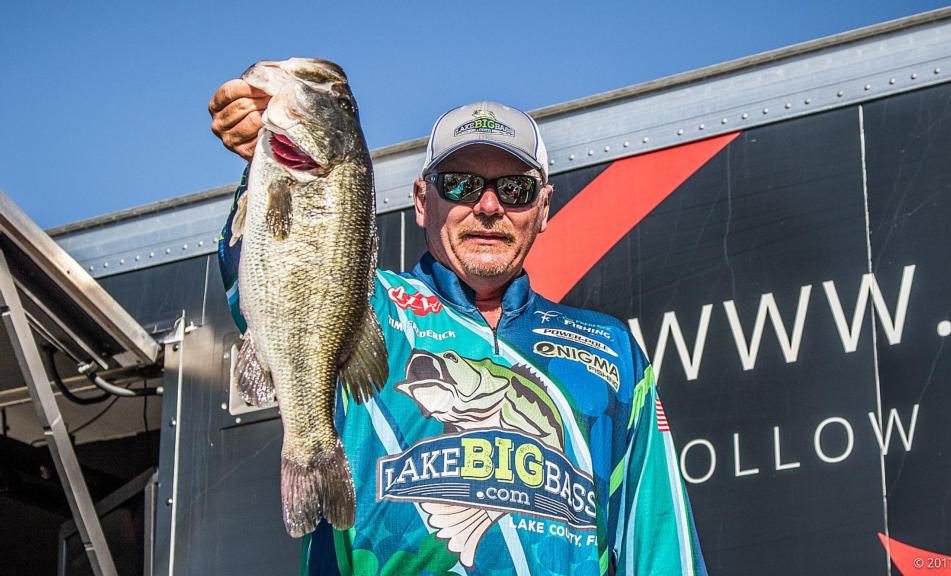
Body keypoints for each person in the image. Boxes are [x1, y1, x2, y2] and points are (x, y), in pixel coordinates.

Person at [210, 77, 708, 576]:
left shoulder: (612, 352)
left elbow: (659, 538)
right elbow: (273, 267)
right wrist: (264, 156)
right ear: (423, 201)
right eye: (461, 184)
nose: (489, 206)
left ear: (544, 209)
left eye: (515, 189)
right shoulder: (368, 303)